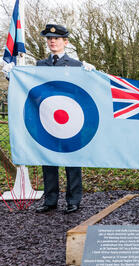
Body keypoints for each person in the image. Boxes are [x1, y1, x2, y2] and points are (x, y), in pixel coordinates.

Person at [35, 24, 94, 214]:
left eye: (57, 39)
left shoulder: (77, 66)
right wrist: (13, 76)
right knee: (48, 161)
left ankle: (73, 200)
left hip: (71, 120)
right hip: (47, 119)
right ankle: (50, 200)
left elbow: (86, 92)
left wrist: (90, 76)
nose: (52, 41)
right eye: (49, 39)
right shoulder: (40, 66)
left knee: (72, 161)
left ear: (65, 42)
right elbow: (30, 89)